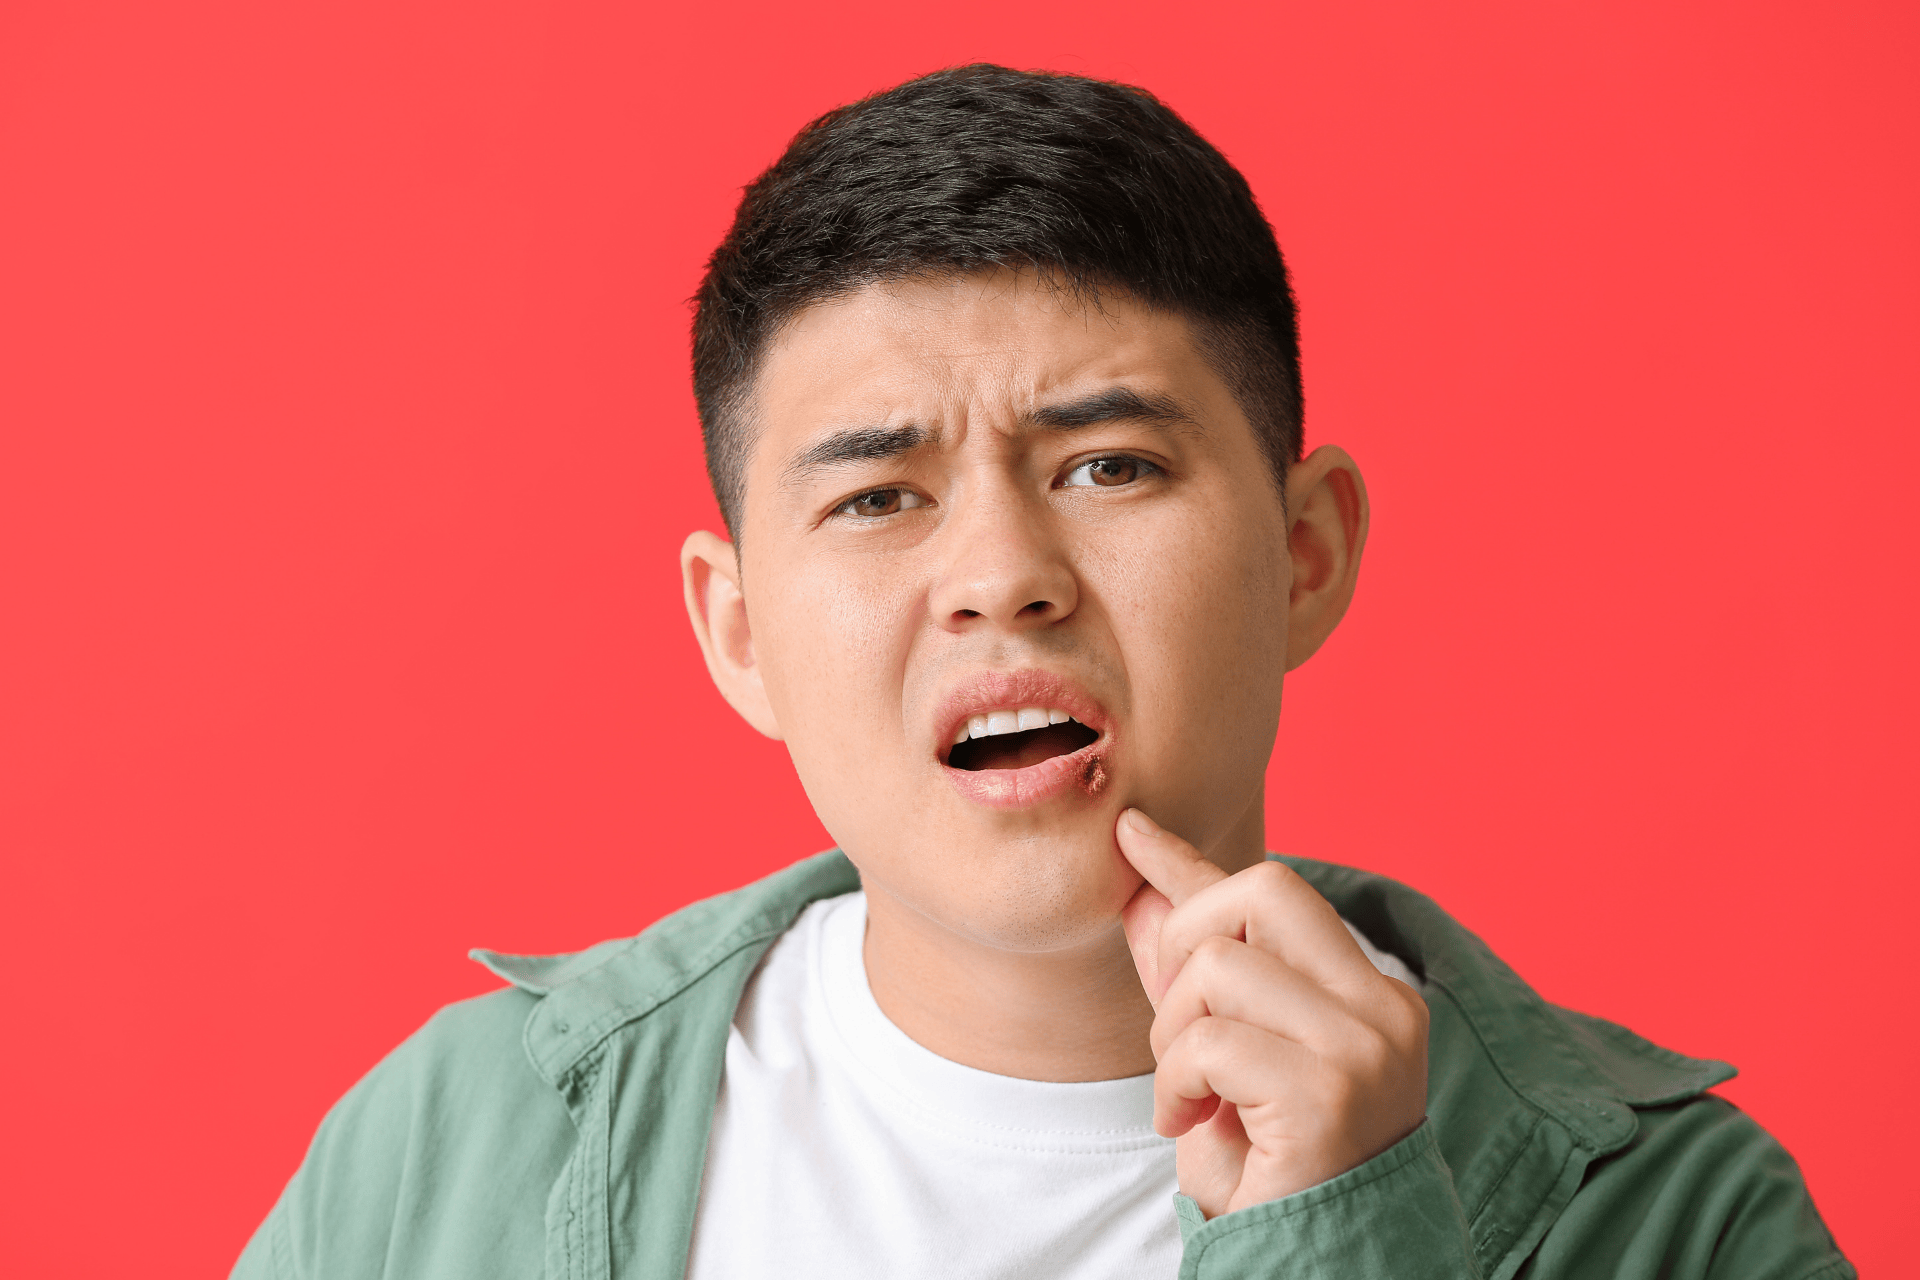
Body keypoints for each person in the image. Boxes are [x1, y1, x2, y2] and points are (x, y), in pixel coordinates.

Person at [232, 65, 1852, 1280]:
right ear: (738, 631)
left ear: (1307, 552)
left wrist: (1341, 1238)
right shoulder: (448, 1149)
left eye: (1110, 468)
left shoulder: (1679, 1222)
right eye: (879, 498)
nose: (1002, 574)